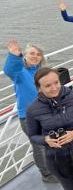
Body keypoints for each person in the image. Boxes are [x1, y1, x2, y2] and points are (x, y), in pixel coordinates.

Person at [3, 40, 57, 183]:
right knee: (39, 145)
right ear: (25, 56)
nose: (35, 56)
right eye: (32, 53)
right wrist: (14, 56)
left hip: (46, 113)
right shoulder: (20, 72)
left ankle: (53, 166)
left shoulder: (41, 72)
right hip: (28, 117)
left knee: (50, 141)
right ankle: (46, 174)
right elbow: (10, 70)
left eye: (38, 54)